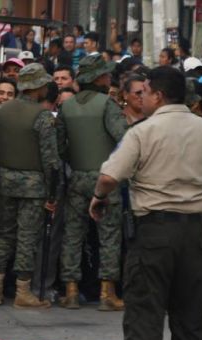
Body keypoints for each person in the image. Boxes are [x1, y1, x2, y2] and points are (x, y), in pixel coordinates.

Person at [89, 65, 202, 340]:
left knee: (145, 316)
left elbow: (109, 176)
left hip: (153, 230)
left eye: (146, 92)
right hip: (194, 229)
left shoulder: (142, 132)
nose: (143, 97)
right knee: (190, 317)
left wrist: (99, 197)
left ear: (160, 95)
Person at [56, 53, 127, 311]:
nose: (110, 78)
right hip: (105, 178)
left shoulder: (67, 106)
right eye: (106, 74)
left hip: (76, 176)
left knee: (72, 234)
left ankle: (71, 291)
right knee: (109, 235)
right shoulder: (107, 105)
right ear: (98, 78)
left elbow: (59, 145)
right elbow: (124, 138)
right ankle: (107, 293)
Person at [0, 63, 59, 308]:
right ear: (37, 87)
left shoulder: (3, 111)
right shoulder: (42, 116)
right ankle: (23, 291)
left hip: (5, 182)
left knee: (4, 236)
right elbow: (50, 159)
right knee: (27, 237)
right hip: (33, 186)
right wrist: (53, 192)